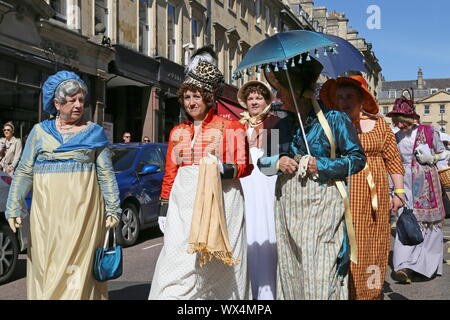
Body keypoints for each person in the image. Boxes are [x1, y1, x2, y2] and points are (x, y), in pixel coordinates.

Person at [5, 70, 122, 300]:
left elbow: (106, 173)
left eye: (81, 100)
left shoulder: (94, 133)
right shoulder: (39, 133)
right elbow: (25, 171)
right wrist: (13, 205)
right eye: (72, 100)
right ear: (57, 103)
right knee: (47, 264)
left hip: (84, 213)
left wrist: (113, 207)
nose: (78, 105)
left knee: (78, 268)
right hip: (46, 214)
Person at [258, 55, 366, 300]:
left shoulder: (335, 119)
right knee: (292, 268)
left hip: (323, 205)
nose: (278, 97)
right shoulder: (277, 124)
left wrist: (323, 164)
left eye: (282, 91)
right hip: (289, 207)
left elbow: (357, 158)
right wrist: (277, 161)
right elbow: (262, 164)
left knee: (321, 268)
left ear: (299, 92)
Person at [148, 47, 253, 300]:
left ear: (208, 97)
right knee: (175, 264)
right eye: (187, 97)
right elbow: (170, 173)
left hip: (223, 201)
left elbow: (245, 165)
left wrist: (221, 168)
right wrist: (163, 208)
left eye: (197, 96)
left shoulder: (231, 126)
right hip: (183, 204)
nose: (191, 102)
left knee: (221, 270)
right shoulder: (177, 132)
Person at [320, 75, 405, 299]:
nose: (344, 101)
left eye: (349, 97)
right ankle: (343, 293)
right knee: (344, 243)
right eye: (340, 97)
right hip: (342, 191)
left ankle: (370, 292)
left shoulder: (380, 126)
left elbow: (393, 159)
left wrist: (399, 192)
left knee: (373, 244)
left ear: (361, 100)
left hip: (373, 193)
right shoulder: (331, 126)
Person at [386, 97, 450, 283]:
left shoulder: (429, 131)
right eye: (396, 120)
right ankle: (404, 265)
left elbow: (444, 153)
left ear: (410, 118)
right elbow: (392, 162)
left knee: (429, 225)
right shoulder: (395, 136)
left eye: (401, 120)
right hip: (404, 182)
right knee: (406, 221)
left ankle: (425, 267)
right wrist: (392, 188)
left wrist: (433, 158)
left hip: (427, 182)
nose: (398, 124)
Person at [237, 80, 279, 300]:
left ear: (266, 101)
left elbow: (272, 164)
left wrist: (263, 140)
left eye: (258, 98)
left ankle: (268, 292)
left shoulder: (275, 123)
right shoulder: (238, 125)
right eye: (251, 98)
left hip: (265, 184)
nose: (254, 102)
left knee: (266, 227)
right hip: (245, 183)